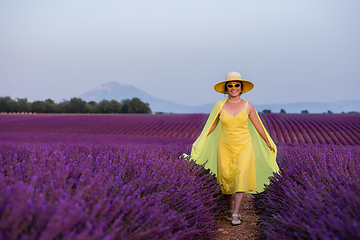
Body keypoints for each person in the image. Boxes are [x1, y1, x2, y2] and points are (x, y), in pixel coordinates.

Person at [190, 71, 279, 226]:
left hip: (244, 146)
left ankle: (236, 213)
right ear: (226, 88)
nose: (233, 88)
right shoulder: (219, 105)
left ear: (241, 87)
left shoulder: (248, 106)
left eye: (236, 85)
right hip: (224, 147)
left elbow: (259, 126)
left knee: (240, 177)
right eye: (230, 85)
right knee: (226, 179)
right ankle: (230, 209)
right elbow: (211, 126)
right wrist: (201, 140)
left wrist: (268, 142)